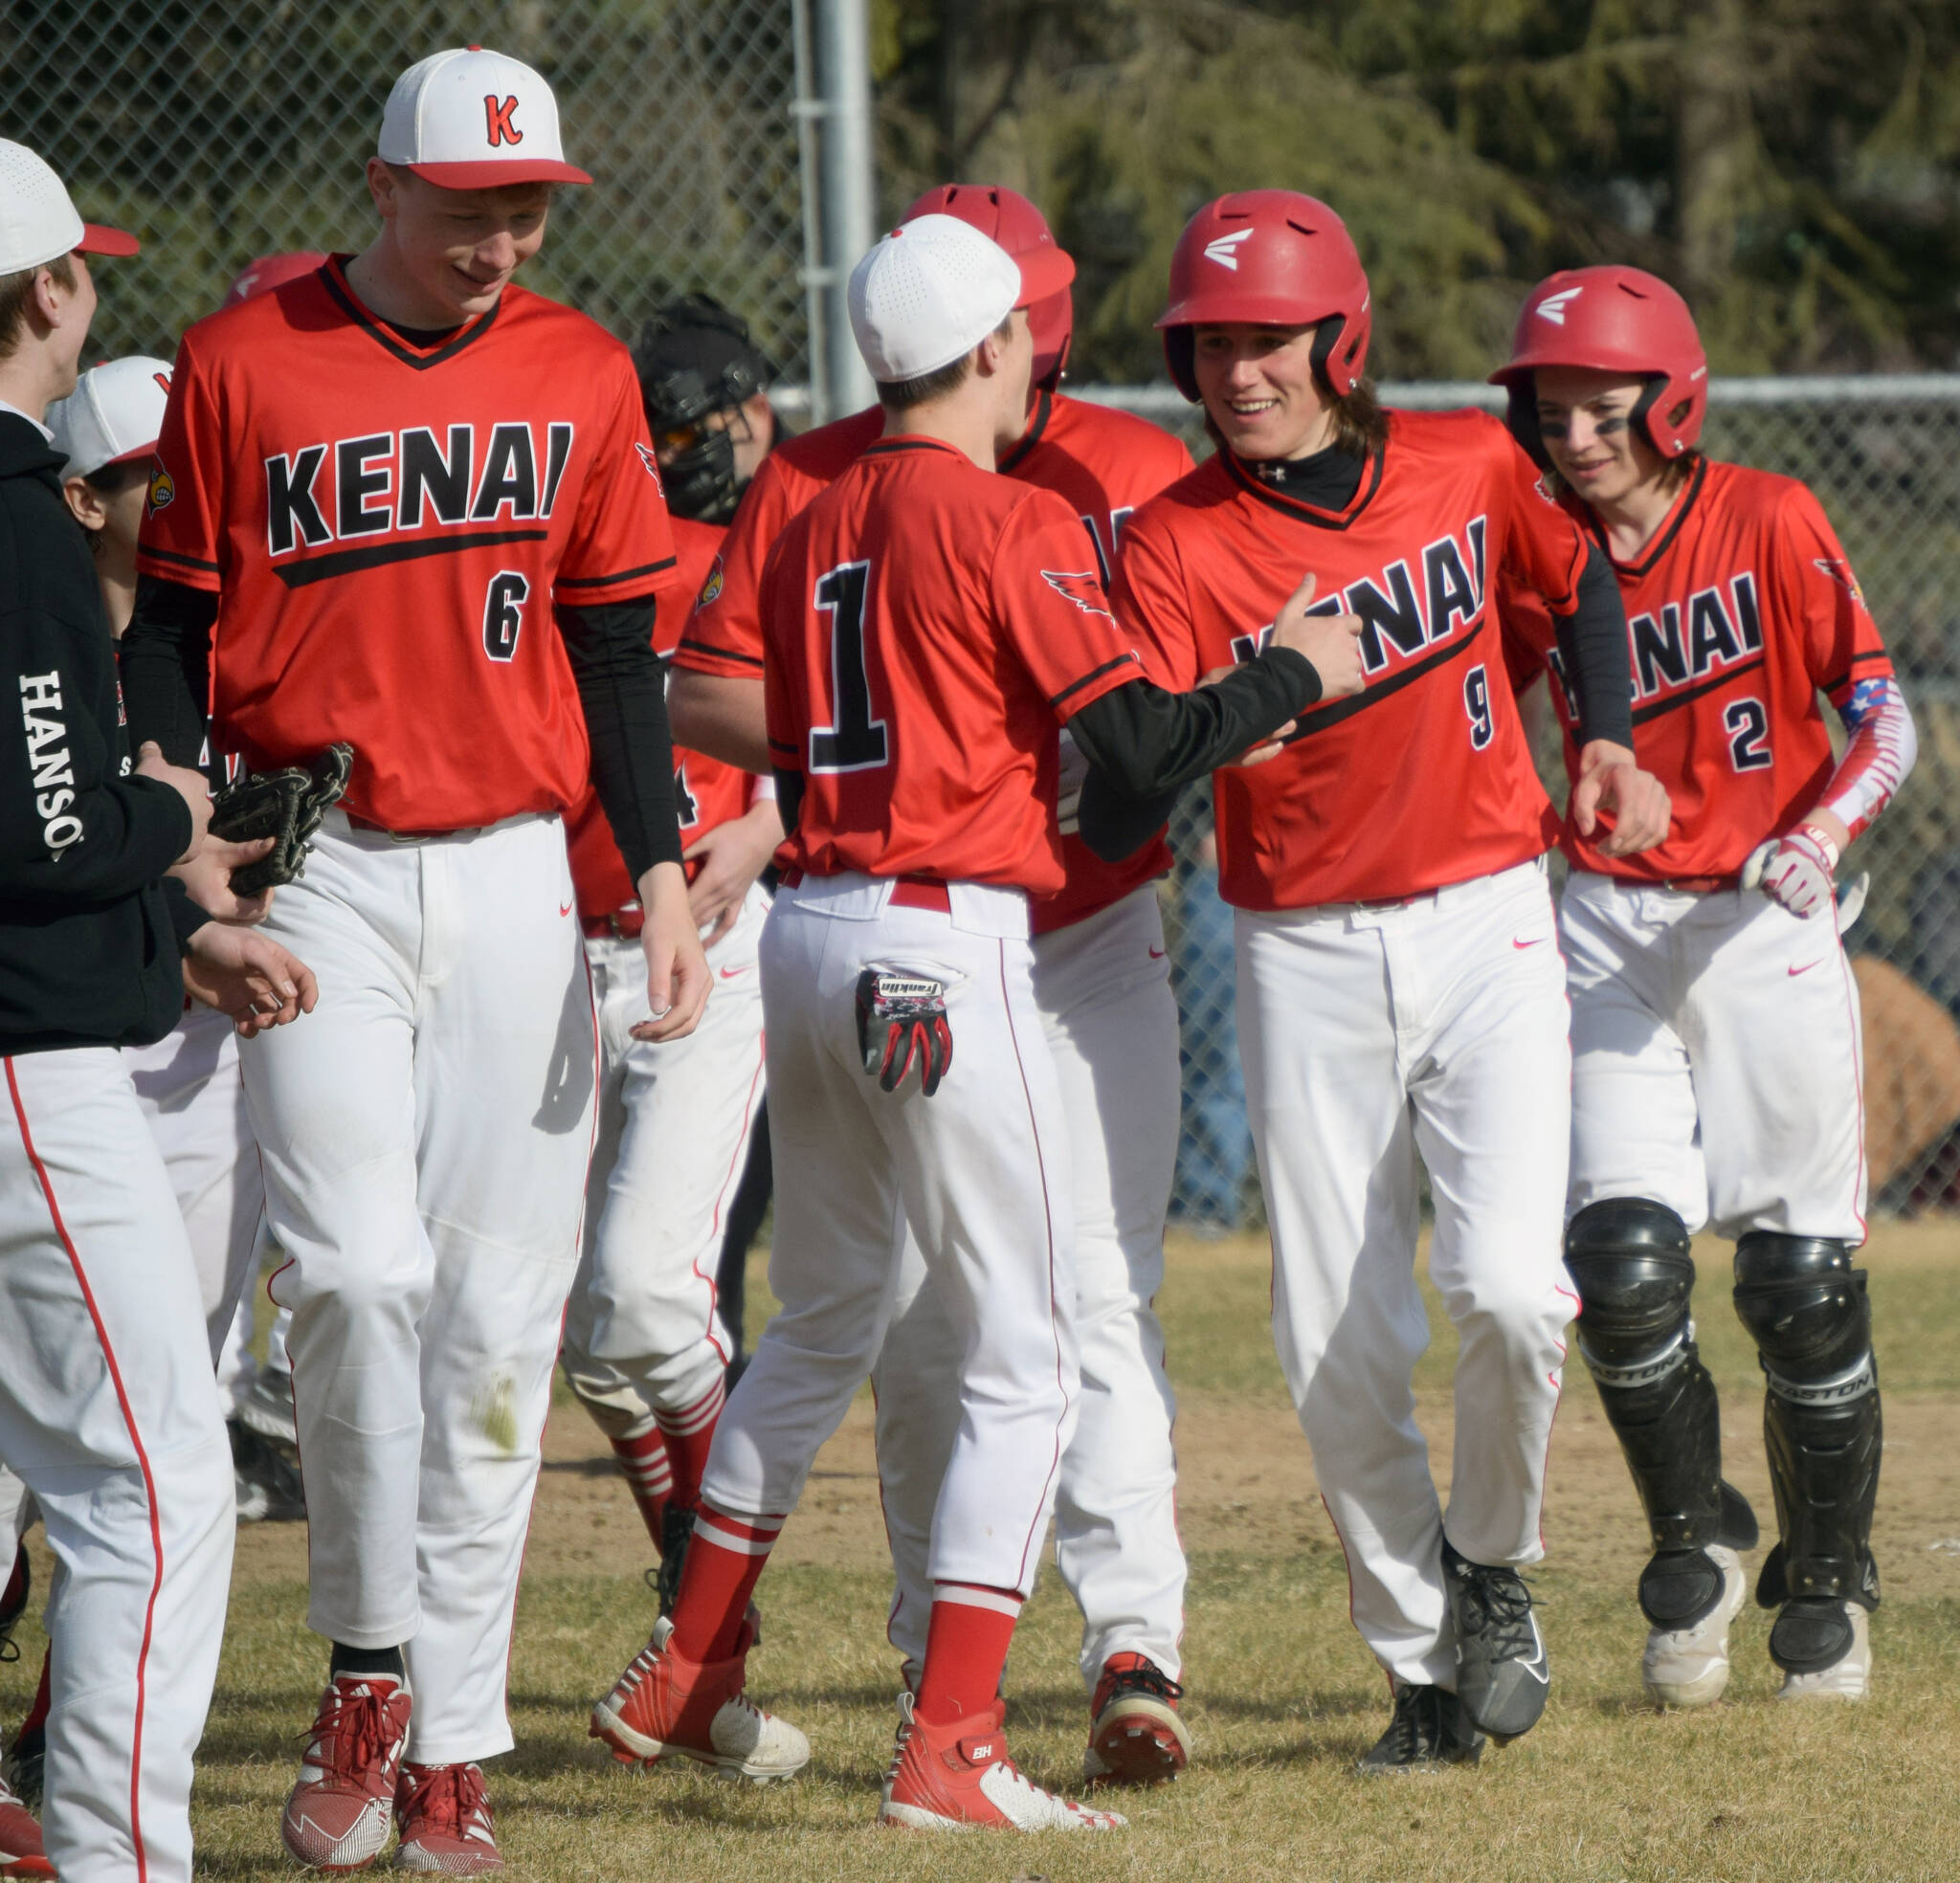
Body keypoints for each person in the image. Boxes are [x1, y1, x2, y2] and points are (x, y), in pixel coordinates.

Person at [589, 211, 1355, 1829]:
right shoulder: (1012, 517)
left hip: (803, 935)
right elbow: (1142, 750)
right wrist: (1284, 674)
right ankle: (952, 1745)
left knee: (821, 1315)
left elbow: (786, 701)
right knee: (1026, 1352)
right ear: (1000, 347)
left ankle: (695, 1652)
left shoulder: (810, 507)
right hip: (945, 938)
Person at [118, 48, 705, 1873]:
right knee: (360, 1279)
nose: (498, 239)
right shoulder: (242, 358)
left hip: (526, 875)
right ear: (381, 189)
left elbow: (617, 658)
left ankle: (452, 1738)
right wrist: (181, 842)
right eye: (466, 207)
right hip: (324, 873)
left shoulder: (579, 367)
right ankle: (365, 1668)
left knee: (495, 1328)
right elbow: (173, 639)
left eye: (525, 206)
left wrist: (666, 871)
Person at [1112, 189, 1670, 1772]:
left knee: (1508, 1290)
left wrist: (1609, 735)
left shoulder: (1459, 462)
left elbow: (1580, 597)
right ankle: (1421, 1668)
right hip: (1295, 942)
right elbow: (1144, 755)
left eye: (1269, 337)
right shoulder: (1175, 543)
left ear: (1337, 338)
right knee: (1329, 1340)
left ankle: (1485, 1567)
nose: (1239, 370)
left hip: (1487, 910)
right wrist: (1255, 687)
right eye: (1211, 342)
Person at [670, 182, 1207, 1784]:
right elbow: (708, 687)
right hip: (921, 916)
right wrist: (883, 758)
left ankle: (1131, 1638)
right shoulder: (834, 468)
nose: (1031, 339)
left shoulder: (1122, 462)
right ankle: (938, 1668)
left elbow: (1155, 698)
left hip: (1078, 923)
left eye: (1045, 307)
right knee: (916, 1319)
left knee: (1089, 1289)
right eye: (1010, 313)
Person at [1493, 266, 1916, 1705]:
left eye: (1604, 411)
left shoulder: (1769, 517)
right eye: (1552, 411)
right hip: (1606, 927)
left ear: (1671, 403)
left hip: (1761, 926)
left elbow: (1885, 713)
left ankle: (1834, 1574)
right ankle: (1699, 1541)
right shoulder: (1534, 543)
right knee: (1618, 1268)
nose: (1577, 437)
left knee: (1797, 1287)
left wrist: (1820, 832)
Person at [0, 139, 316, 1883]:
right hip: (27, 1078)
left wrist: (167, 944)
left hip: (52, 1021)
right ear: (54, 291)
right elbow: (46, 834)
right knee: (154, 1483)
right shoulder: (24, 524)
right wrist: (170, 823)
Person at [48, 354, 305, 1525]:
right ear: (83, 500)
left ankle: (68, 1712)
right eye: (151, 475)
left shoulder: (245, 642)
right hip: (71, 1045)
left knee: (179, 1386)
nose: (184, 496)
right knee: (48, 1396)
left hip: (206, 1055)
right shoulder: (43, 657)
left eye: (199, 470)